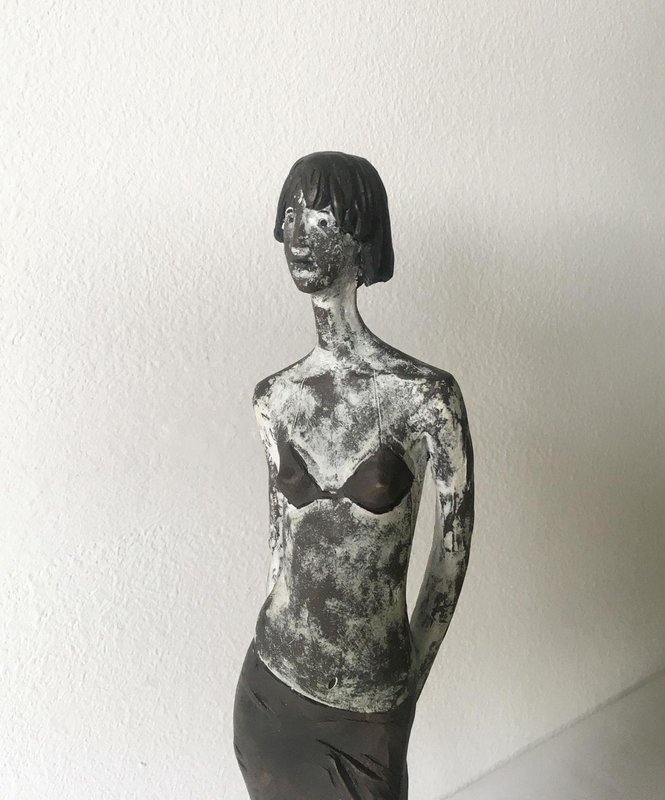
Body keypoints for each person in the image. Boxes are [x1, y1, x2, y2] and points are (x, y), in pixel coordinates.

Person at [233, 151, 475, 800]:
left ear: (363, 236)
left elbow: (451, 556)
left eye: (322, 218)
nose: (299, 234)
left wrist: (408, 685)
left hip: (369, 704)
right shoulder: (274, 399)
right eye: (291, 215)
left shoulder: (425, 397)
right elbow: (279, 548)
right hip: (269, 687)